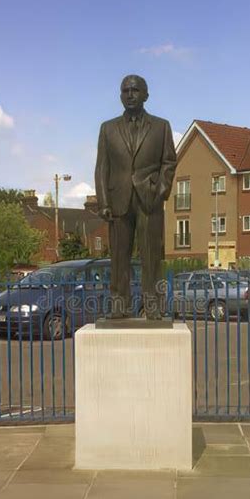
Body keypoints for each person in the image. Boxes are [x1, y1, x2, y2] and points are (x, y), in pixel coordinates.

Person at [95, 75, 176, 319]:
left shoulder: (161, 126)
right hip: (118, 200)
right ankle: (120, 305)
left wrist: (159, 192)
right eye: (125, 91)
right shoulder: (107, 128)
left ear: (146, 95)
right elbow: (102, 168)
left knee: (151, 256)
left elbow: (169, 162)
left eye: (135, 90)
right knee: (119, 257)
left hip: (148, 200)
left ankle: (153, 306)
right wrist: (103, 203)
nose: (130, 95)